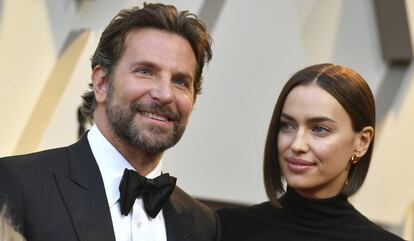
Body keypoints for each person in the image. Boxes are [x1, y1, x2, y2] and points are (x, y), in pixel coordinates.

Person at [0, 3, 219, 241]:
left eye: (180, 81)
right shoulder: (17, 184)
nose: (165, 94)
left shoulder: (203, 224)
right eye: (145, 71)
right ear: (102, 83)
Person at [218, 63, 404, 241]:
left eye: (320, 129)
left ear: (362, 142)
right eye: (287, 125)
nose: (297, 145)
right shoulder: (224, 228)